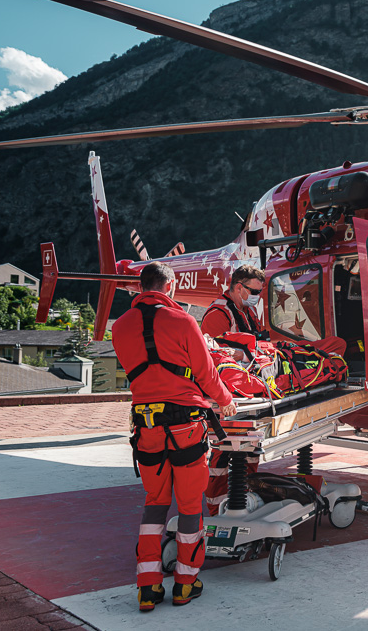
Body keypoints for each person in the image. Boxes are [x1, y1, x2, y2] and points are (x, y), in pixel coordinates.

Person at [112, 261, 236, 612]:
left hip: (146, 428)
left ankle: (147, 588)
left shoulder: (119, 327)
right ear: (170, 288)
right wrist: (226, 403)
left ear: (140, 288)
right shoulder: (183, 321)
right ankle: (185, 583)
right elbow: (207, 373)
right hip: (186, 427)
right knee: (189, 507)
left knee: (154, 504)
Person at [201, 265, 266, 339]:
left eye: (259, 291)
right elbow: (217, 349)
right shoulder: (218, 314)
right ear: (239, 288)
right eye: (254, 292)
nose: (257, 295)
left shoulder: (250, 309)